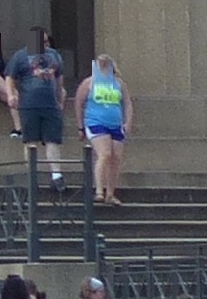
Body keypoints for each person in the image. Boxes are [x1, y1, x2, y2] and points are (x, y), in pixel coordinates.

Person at [9, 30, 69, 186]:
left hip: (50, 104)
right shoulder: (20, 56)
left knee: (52, 140)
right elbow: (10, 77)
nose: (44, 44)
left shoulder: (54, 55)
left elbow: (59, 78)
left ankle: (56, 175)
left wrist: (59, 98)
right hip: (29, 104)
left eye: (45, 41)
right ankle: (32, 175)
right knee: (30, 140)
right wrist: (11, 95)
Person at [78, 56, 131, 206]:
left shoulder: (119, 84)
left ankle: (110, 193)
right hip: (96, 121)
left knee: (116, 158)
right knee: (105, 154)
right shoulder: (89, 82)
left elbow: (127, 102)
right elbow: (79, 102)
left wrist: (128, 122)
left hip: (115, 123)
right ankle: (99, 191)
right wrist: (80, 125)